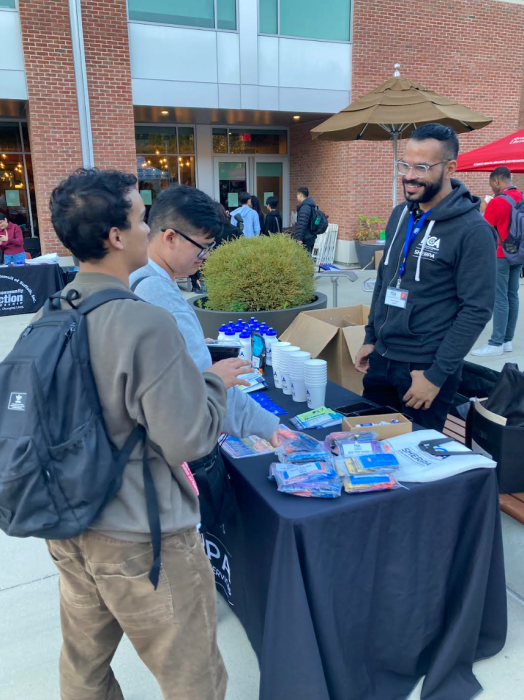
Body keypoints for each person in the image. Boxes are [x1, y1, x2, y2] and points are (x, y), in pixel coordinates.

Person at [42, 168, 252, 700]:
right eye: (140, 218)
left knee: (84, 668)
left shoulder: (55, 309)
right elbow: (188, 440)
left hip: (67, 521)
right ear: (116, 237)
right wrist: (210, 382)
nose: (149, 227)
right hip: (140, 535)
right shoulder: (142, 321)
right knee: (193, 677)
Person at [354, 123, 497, 431]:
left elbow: (476, 310)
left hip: (424, 369)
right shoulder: (400, 214)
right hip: (381, 359)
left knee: (415, 466)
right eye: (404, 164)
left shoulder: (473, 232)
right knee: (371, 448)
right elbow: (384, 280)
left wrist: (436, 376)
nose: (409, 175)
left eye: (421, 167)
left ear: (450, 168)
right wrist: (371, 337)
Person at [129, 185, 280, 452]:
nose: (207, 256)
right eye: (203, 247)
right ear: (170, 237)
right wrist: (270, 426)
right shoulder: (158, 293)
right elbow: (207, 388)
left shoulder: (135, 276)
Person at [471, 166, 523, 357]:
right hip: (518, 254)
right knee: (512, 296)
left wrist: (484, 209)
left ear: (497, 181)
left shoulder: (496, 202)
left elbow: (484, 231)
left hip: (501, 255)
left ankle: (496, 343)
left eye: (491, 183)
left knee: (500, 298)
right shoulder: (522, 197)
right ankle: (507, 341)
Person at [294, 186, 317, 253]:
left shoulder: (305, 207)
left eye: (297, 195)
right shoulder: (310, 205)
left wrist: (299, 238)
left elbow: (302, 223)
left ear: (301, 195)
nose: (297, 197)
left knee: (305, 258)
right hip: (310, 236)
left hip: (306, 238)